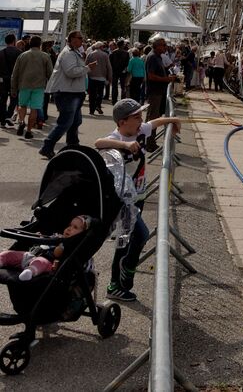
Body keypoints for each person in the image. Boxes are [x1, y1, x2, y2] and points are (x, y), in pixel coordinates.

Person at [94, 98, 180, 302]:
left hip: (139, 196)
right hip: (124, 201)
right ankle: (117, 281)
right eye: (136, 117)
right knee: (135, 236)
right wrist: (123, 145)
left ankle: (124, 277)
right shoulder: (116, 138)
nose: (141, 121)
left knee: (132, 238)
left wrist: (173, 120)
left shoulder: (140, 130)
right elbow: (99, 143)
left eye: (141, 117)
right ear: (123, 121)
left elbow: (155, 123)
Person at [39, 30, 93, 160]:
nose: (82, 41)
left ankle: (73, 146)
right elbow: (71, 71)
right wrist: (87, 68)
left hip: (73, 92)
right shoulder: (68, 53)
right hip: (67, 93)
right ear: (73, 39)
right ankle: (48, 146)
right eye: (80, 38)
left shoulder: (73, 52)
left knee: (75, 121)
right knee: (66, 122)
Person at [0, 215, 90, 281]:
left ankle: (29, 272)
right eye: (70, 225)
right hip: (31, 255)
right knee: (8, 254)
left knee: (39, 262)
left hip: (46, 262)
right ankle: (2, 259)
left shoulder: (68, 245)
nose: (69, 229)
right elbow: (46, 239)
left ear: (81, 235)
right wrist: (40, 237)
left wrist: (63, 244)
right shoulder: (57, 236)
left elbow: (56, 253)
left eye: (75, 227)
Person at [10, 36, 53, 139]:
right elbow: (50, 74)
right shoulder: (45, 56)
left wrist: (13, 88)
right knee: (34, 109)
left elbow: (15, 73)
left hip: (24, 85)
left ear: (30, 43)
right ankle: (29, 131)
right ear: (40, 44)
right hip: (39, 87)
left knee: (22, 105)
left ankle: (21, 122)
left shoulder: (22, 56)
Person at [144, 36, 170, 151]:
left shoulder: (158, 57)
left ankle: (150, 141)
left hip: (158, 92)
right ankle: (148, 143)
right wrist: (166, 79)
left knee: (154, 117)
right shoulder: (153, 57)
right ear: (157, 46)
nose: (166, 47)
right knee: (152, 118)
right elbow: (151, 76)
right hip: (154, 92)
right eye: (163, 45)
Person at [0, 33, 21, 129]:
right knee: (14, 98)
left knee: (3, 99)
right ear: (14, 41)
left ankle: (2, 119)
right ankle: (8, 115)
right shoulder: (19, 53)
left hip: (3, 80)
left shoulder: (1, 52)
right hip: (15, 80)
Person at [86, 42, 113, 115]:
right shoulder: (105, 55)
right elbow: (109, 67)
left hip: (92, 77)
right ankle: (98, 105)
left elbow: (86, 64)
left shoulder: (90, 54)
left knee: (92, 94)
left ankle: (91, 110)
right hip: (102, 77)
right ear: (101, 47)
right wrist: (110, 78)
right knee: (100, 93)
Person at [109, 40, 130, 105]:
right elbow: (127, 63)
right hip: (123, 71)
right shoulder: (126, 53)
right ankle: (122, 101)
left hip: (115, 71)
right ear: (122, 45)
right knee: (123, 86)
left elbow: (110, 63)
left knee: (114, 86)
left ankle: (114, 100)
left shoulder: (113, 53)